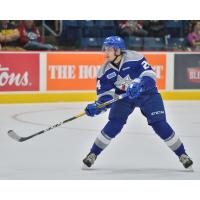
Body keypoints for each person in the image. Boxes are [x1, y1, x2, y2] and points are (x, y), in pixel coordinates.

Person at [82, 36, 193, 170]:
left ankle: (182, 154)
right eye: (105, 49)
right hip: (124, 98)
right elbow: (105, 96)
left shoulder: (135, 57)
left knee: (159, 124)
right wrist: (98, 106)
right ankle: (93, 153)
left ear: (118, 51)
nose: (105, 53)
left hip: (147, 94)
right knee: (114, 123)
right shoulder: (104, 71)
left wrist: (140, 84)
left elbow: (150, 76)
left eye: (109, 50)